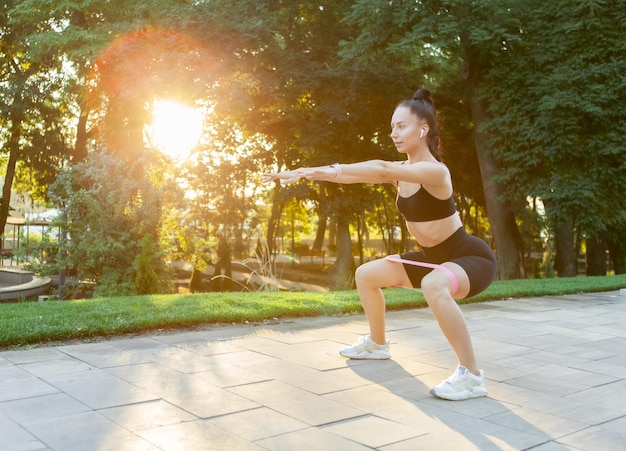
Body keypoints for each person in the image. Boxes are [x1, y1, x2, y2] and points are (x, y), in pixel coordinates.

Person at [263, 88, 497, 401]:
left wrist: (318, 170)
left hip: (469, 258)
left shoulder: (436, 171)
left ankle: (471, 376)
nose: (394, 134)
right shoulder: (403, 173)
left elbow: (383, 168)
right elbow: (362, 175)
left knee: (433, 285)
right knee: (367, 274)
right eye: (392, 127)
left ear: (423, 129)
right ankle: (377, 343)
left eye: (401, 126)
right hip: (432, 258)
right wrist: (310, 172)